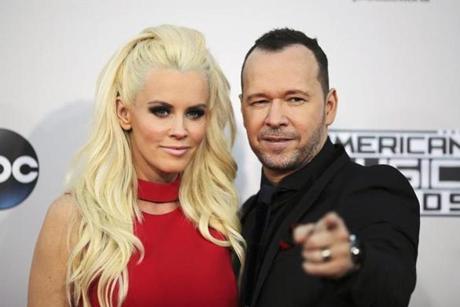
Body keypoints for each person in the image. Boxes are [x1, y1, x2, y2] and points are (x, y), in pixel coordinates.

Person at [28, 25, 244, 307]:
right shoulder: (73, 219)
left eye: (194, 113)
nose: (180, 129)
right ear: (124, 113)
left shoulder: (222, 221)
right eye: (161, 111)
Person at [238, 28, 420, 307]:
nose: (275, 118)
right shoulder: (245, 217)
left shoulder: (372, 189)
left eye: (295, 99)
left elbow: (393, 284)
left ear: (329, 106)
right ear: (243, 108)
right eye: (260, 101)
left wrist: (354, 257)